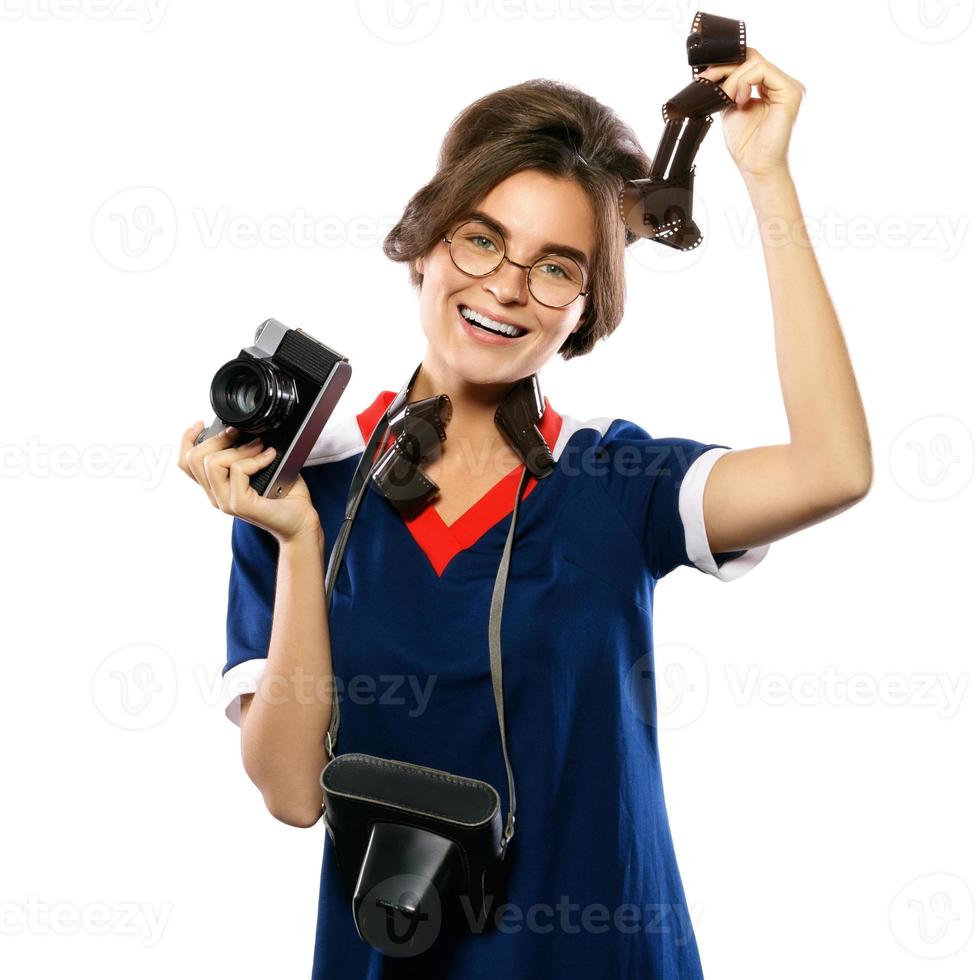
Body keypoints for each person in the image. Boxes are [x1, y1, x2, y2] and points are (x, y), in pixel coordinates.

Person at [178, 54, 872, 980]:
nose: (506, 287)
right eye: (479, 240)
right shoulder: (307, 482)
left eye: (555, 268)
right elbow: (293, 794)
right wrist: (298, 541)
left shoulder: (615, 478)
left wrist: (766, 178)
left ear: (584, 310)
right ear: (424, 243)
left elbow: (834, 470)